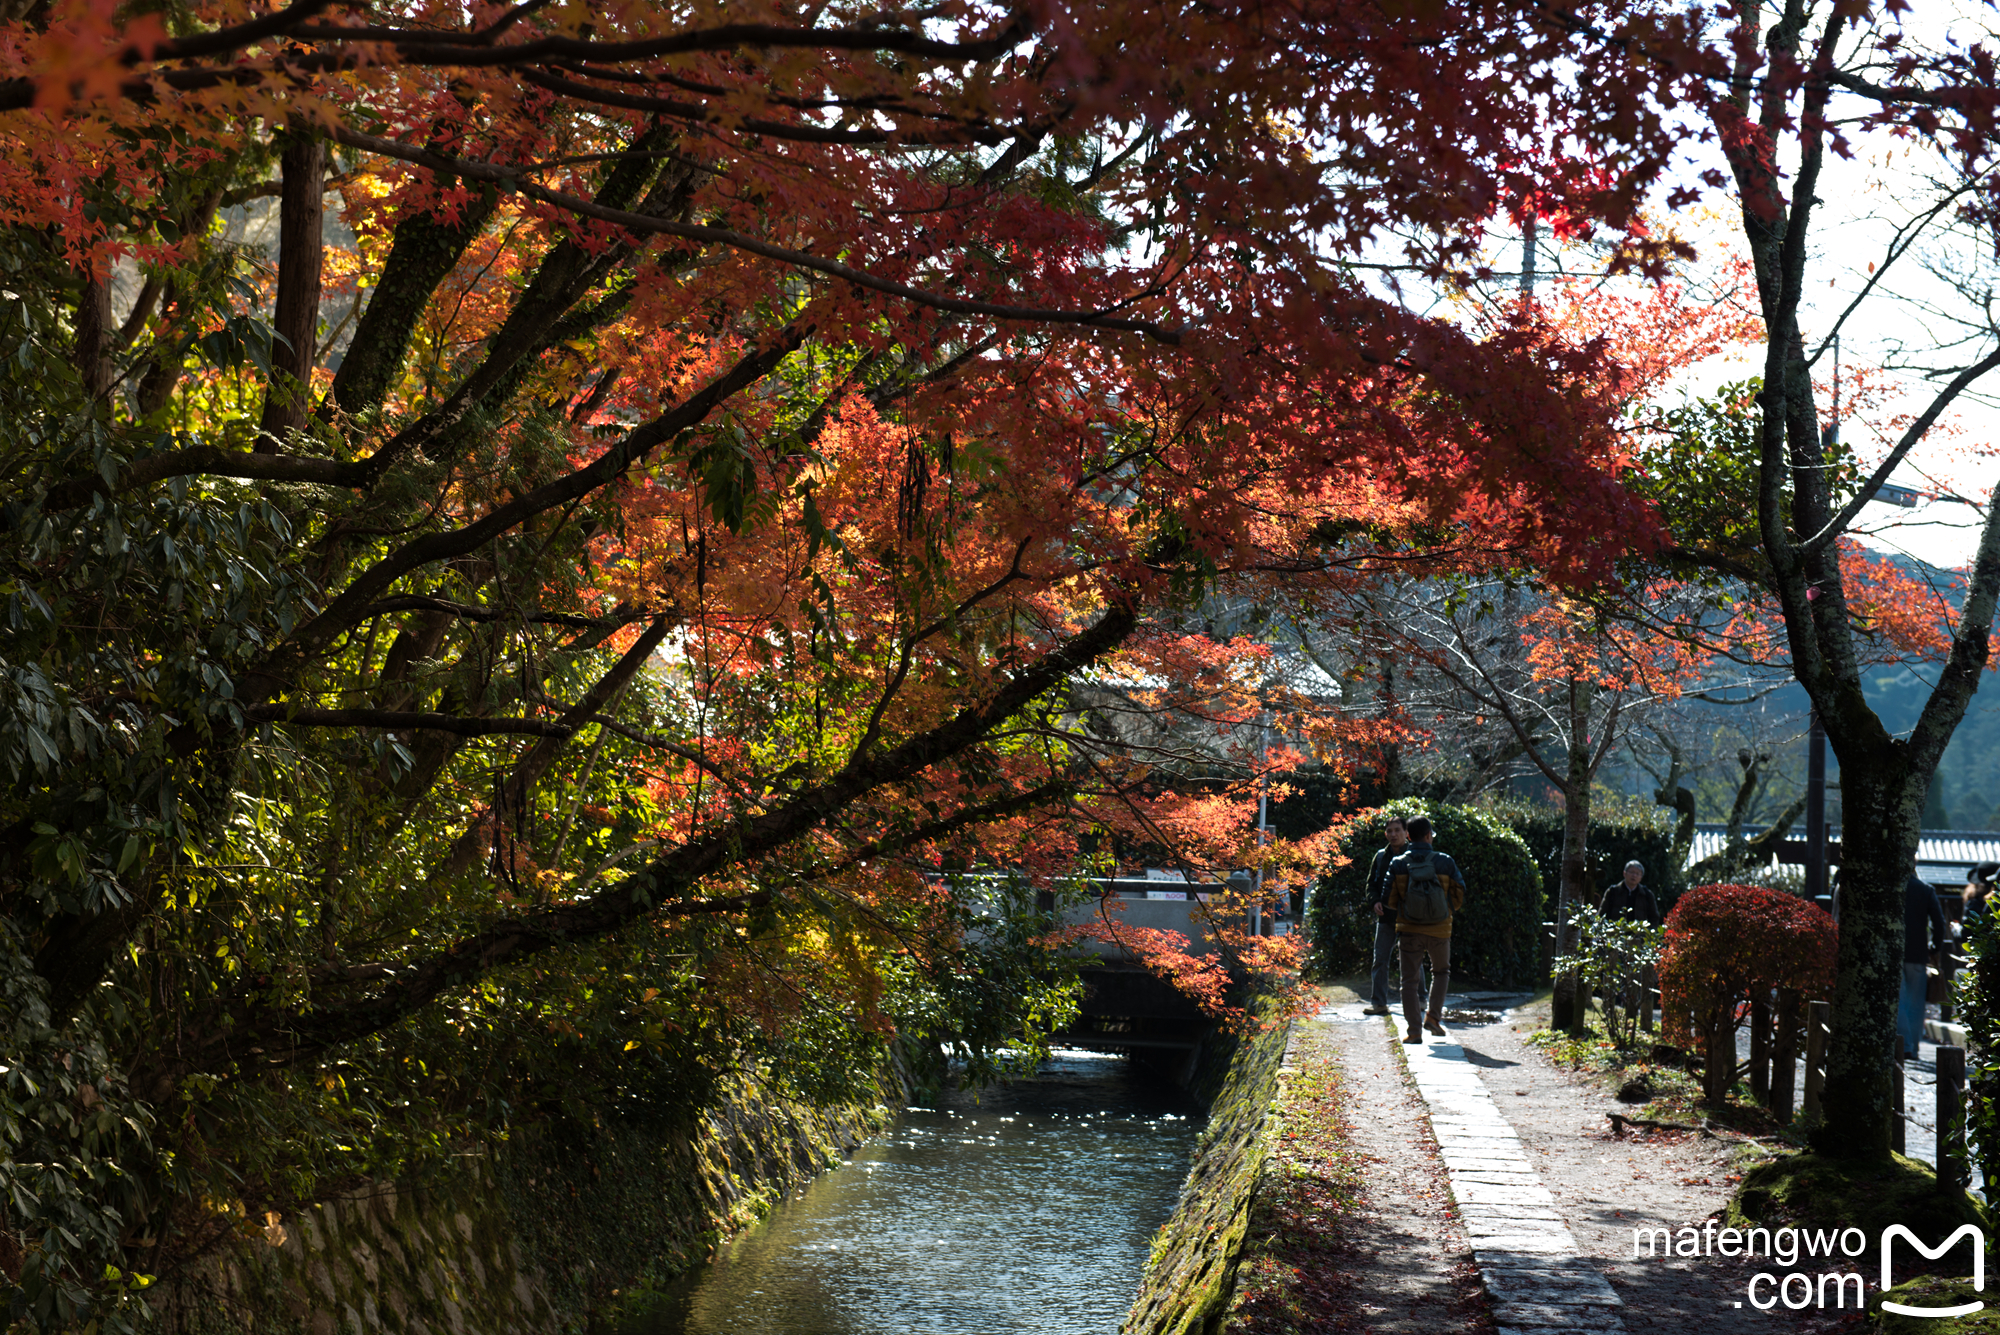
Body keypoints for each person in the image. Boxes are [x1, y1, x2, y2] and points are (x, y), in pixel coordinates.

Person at [1386, 815, 1468, 1044]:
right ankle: (1433, 1017)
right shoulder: (1446, 861)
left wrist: (1406, 908)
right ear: (1429, 835)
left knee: (1409, 982)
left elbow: (1388, 898)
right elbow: (1460, 891)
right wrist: (1447, 910)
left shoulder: (1398, 863)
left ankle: (1414, 1032)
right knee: (1441, 972)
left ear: (1408, 836)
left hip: (1409, 930)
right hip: (1440, 930)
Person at [1361, 816, 1410, 1016]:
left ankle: (1420, 1000)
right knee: (1380, 960)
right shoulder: (1380, 856)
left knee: (1411, 960)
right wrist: (1375, 901)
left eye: (1397, 830)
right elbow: (1370, 884)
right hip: (1385, 918)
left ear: (1406, 833)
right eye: (1390, 831)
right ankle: (1379, 1003)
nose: (1393, 834)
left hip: (1409, 918)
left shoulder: (1414, 855)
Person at [1900, 874, 1949, 1060]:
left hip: (1894, 952)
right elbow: (1939, 922)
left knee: (1899, 1002)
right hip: (1918, 953)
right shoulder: (1925, 889)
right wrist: (1935, 948)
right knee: (1915, 1003)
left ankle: (1903, 1045)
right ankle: (1913, 1048)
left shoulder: (1890, 887)